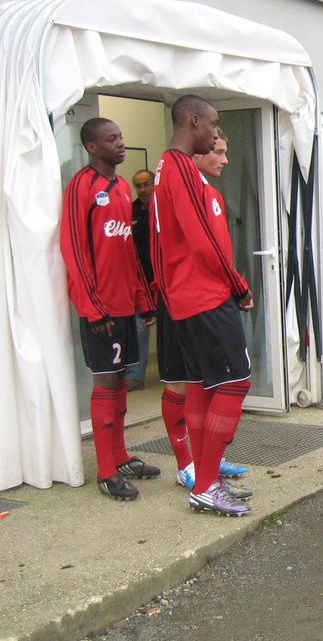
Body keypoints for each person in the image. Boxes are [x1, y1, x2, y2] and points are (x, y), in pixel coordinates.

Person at [151, 96, 254, 516]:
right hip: (206, 296)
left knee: (202, 385)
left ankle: (203, 477)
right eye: (212, 124)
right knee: (235, 383)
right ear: (192, 120)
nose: (215, 133)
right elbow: (202, 242)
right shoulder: (179, 169)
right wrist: (238, 284)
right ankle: (207, 483)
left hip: (188, 298)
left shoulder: (168, 169)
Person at [59, 117, 160, 501]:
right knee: (105, 382)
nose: (121, 143)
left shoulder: (120, 188)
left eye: (120, 136)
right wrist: (92, 306)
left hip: (123, 306)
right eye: (112, 139)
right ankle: (105, 471)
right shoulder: (80, 187)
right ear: (92, 147)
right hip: (99, 310)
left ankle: (120, 457)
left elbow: (127, 250)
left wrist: (143, 299)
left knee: (121, 384)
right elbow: (75, 251)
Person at [125, 169, 155, 390]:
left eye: (147, 184)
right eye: (139, 185)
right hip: (139, 280)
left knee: (173, 328)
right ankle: (135, 375)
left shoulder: (163, 206)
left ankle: (176, 372)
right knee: (139, 328)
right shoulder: (131, 211)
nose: (143, 189)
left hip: (164, 281)